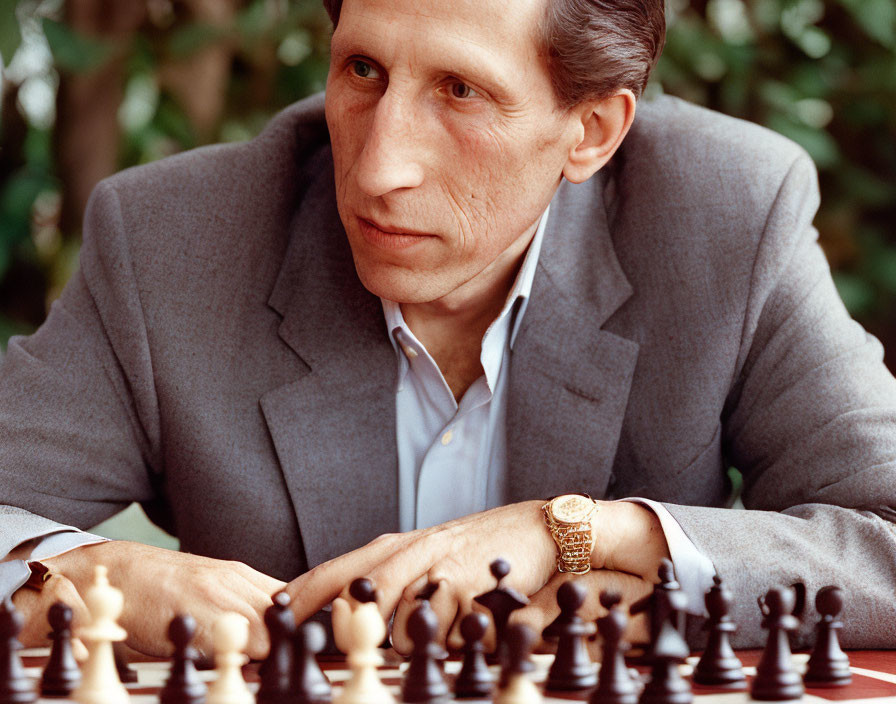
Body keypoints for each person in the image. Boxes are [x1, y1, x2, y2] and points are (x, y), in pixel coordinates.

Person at [2, 0, 896, 660]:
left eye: (460, 90)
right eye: (363, 71)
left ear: (589, 131)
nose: (381, 167)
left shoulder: (723, 219)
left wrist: (574, 533)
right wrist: (75, 579)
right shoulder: (175, 241)